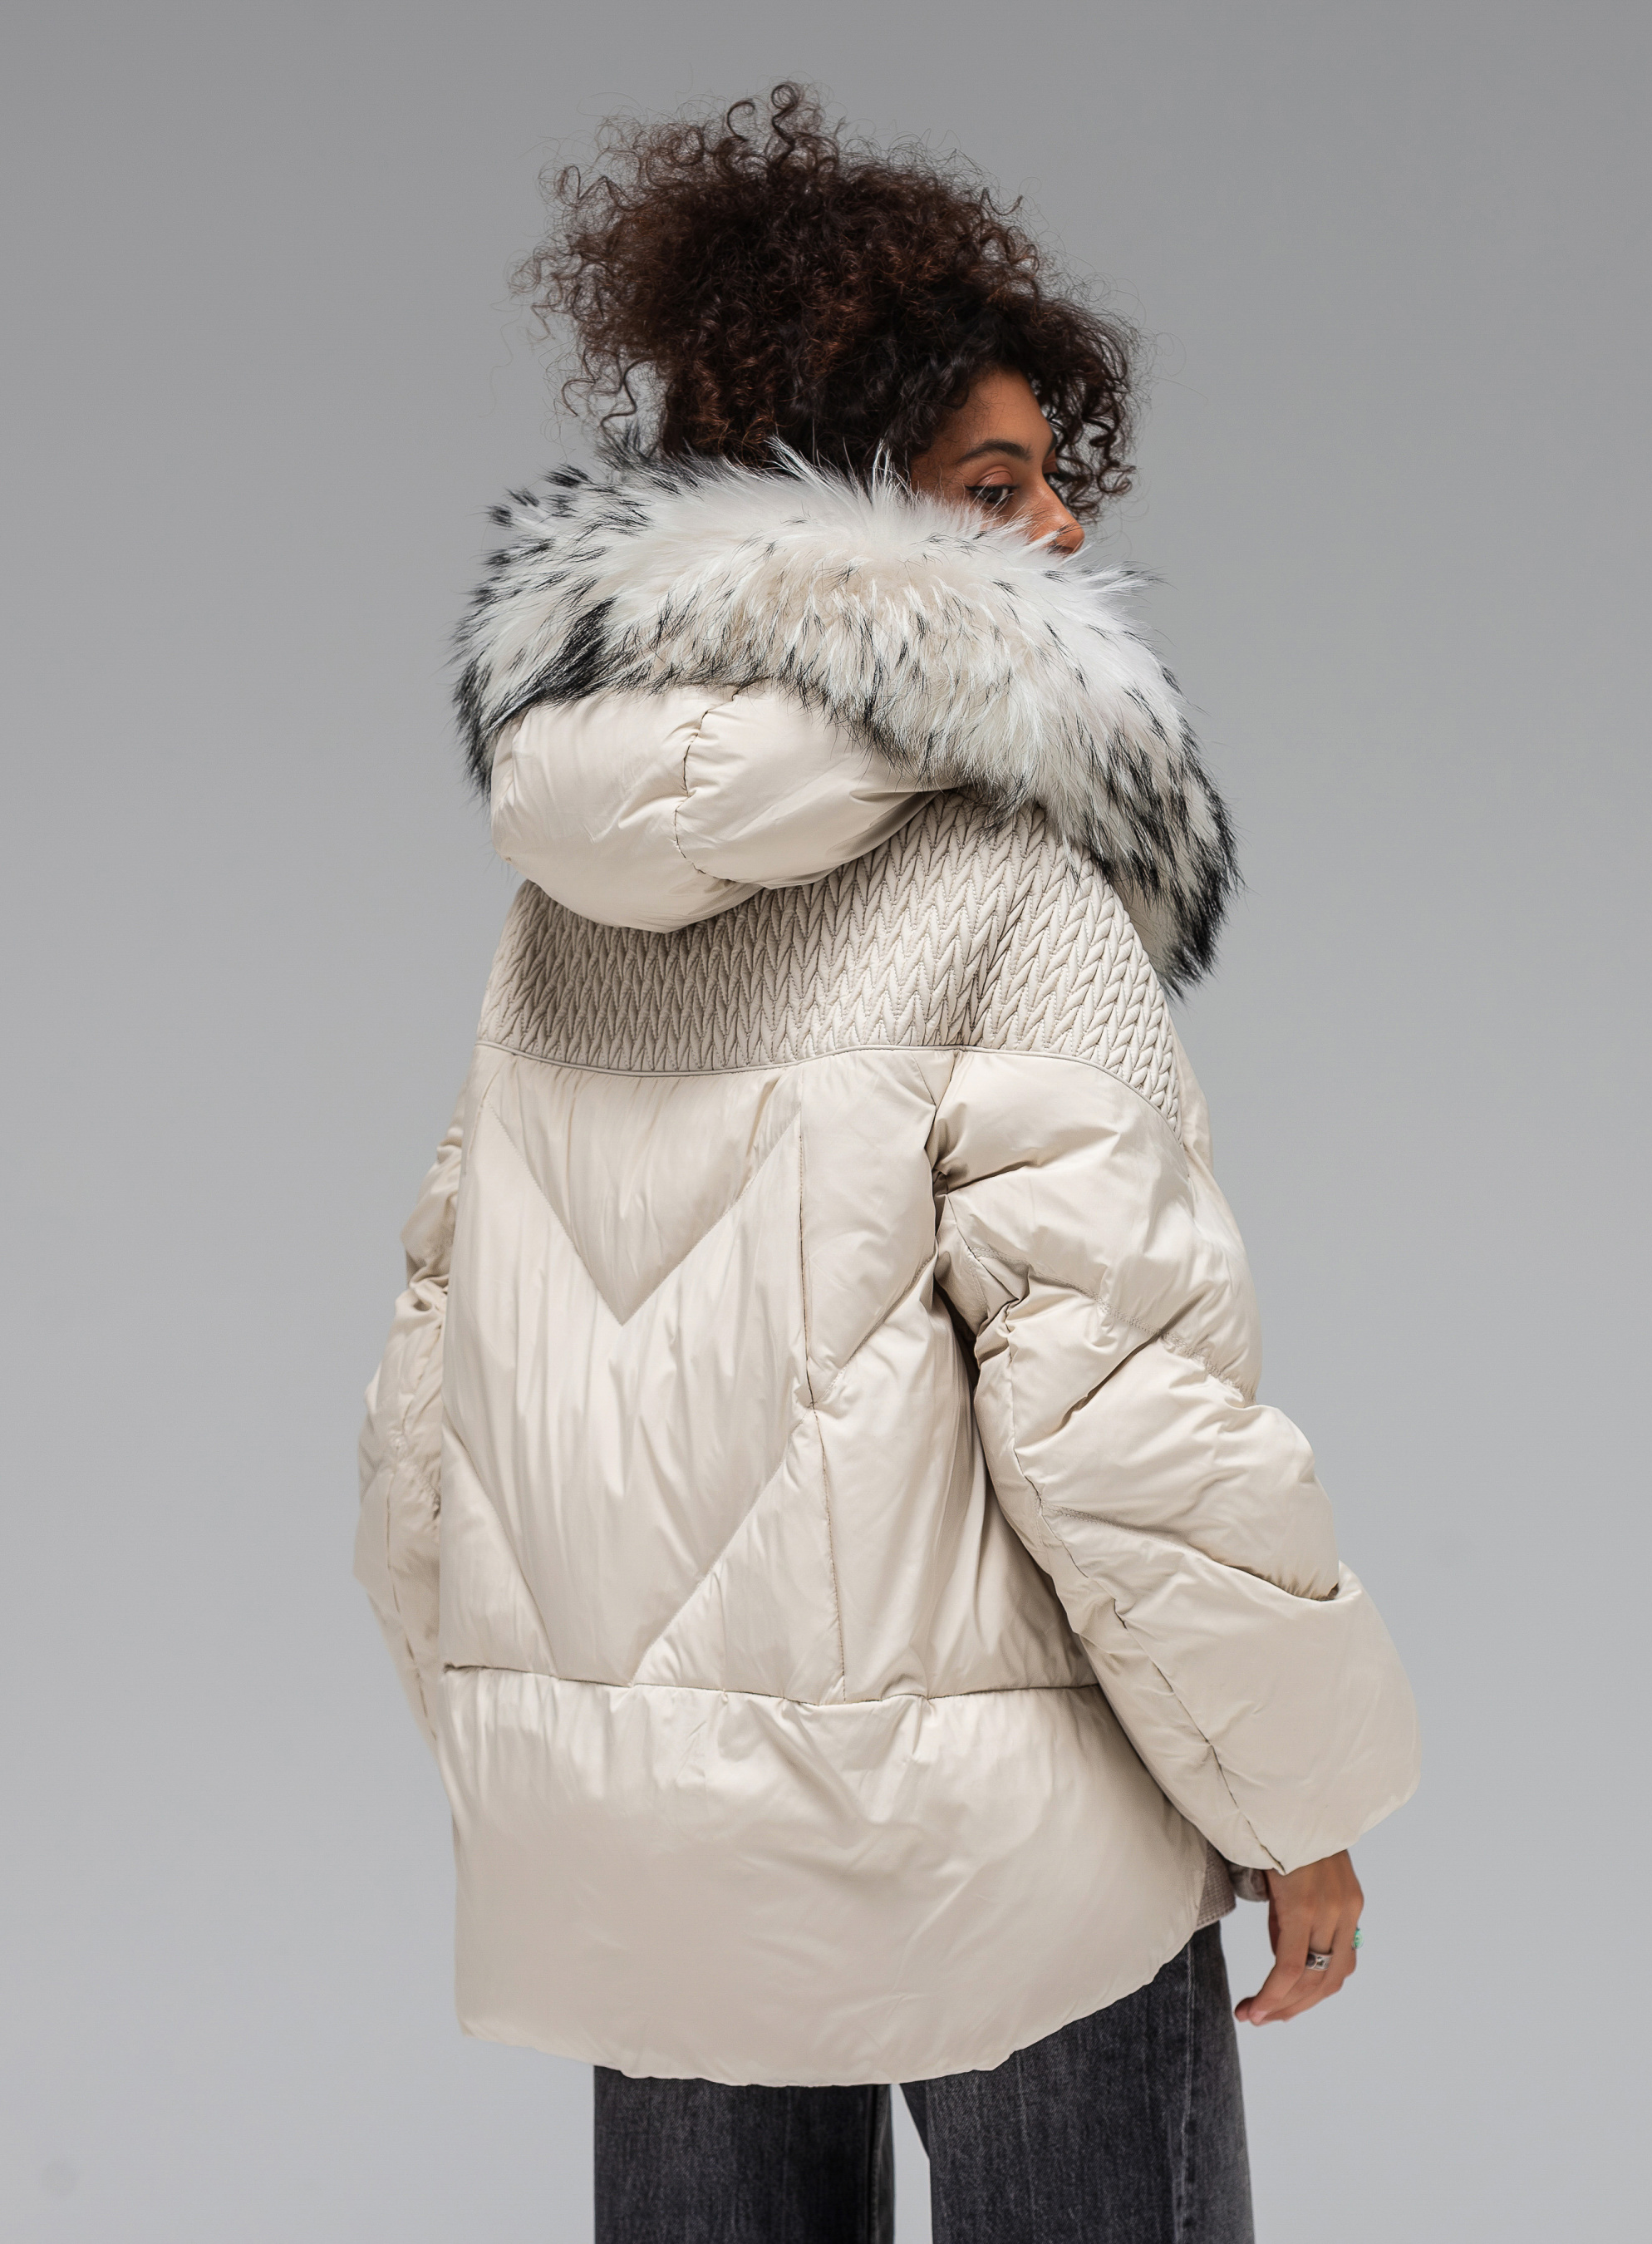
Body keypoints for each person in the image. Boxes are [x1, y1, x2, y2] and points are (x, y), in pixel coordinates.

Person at [356, 85, 1419, 2243]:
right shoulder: (1008, 889)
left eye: (1055, 481)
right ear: (831, 516)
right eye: (993, 488)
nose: (1061, 537)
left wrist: (559, 1765)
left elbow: (428, 1403)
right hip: (1004, 1862)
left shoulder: (564, 905)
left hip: (648, 1870)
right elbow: (1119, 1420)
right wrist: (1293, 1798)